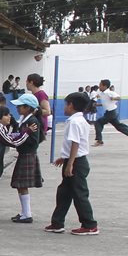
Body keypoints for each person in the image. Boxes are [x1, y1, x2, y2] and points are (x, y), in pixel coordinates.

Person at [45, 92, 98, 235]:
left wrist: (70, 163)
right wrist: (64, 158)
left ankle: (89, 224)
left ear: (71, 105)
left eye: (65, 104)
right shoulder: (80, 120)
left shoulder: (74, 122)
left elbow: (76, 143)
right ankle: (57, 222)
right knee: (64, 192)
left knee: (79, 194)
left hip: (77, 162)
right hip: (74, 159)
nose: (64, 107)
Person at [7, 93, 45, 223]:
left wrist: (20, 137)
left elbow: (34, 141)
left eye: (20, 106)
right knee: (20, 185)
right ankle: (24, 212)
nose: (17, 108)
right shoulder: (24, 120)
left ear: (27, 107)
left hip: (28, 154)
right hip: (24, 154)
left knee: (22, 185)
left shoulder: (32, 121)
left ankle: (27, 214)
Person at [91, 79, 128, 147]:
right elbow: (106, 103)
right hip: (111, 112)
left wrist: (113, 99)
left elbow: (119, 98)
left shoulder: (109, 93)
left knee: (98, 122)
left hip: (111, 113)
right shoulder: (102, 94)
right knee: (119, 127)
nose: (99, 86)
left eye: (100, 85)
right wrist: (97, 105)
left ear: (105, 86)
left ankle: (99, 140)